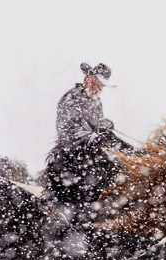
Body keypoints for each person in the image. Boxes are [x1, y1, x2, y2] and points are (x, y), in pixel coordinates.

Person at [45, 63, 132, 217]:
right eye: (96, 83)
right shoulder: (70, 99)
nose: (98, 88)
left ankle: (134, 156)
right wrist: (93, 134)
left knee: (112, 145)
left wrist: (104, 126)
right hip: (71, 152)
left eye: (101, 86)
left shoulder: (96, 102)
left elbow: (97, 126)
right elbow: (66, 131)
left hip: (93, 148)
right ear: (87, 78)